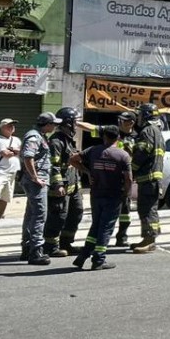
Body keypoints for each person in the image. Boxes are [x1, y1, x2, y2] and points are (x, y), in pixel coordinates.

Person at [73, 125, 133, 271]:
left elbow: (73, 160)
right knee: (106, 227)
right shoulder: (123, 155)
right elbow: (129, 179)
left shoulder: (93, 150)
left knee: (96, 225)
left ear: (104, 136)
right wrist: (126, 194)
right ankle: (99, 259)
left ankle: (84, 255)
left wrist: (88, 172)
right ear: (118, 137)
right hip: (114, 196)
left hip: (96, 194)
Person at [43, 107, 84, 258]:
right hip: (60, 188)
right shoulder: (56, 141)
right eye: (75, 122)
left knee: (76, 213)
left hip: (73, 187)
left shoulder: (69, 140)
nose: (77, 125)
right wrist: (58, 184)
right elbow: (53, 165)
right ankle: (51, 246)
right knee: (58, 217)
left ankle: (66, 243)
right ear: (68, 123)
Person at [19, 112, 59, 265]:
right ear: (47, 124)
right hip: (36, 182)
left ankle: (27, 248)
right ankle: (35, 252)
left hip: (35, 181)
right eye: (53, 124)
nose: (55, 127)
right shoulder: (34, 136)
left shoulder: (39, 135)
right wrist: (35, 177)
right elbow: (28, 156)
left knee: (31, 214)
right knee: (39, 215)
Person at [129, 102, 164, 253]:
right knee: (147, 209)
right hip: (152, 179)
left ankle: (150, 240)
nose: (138, 117)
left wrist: (132, 170)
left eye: (140, 114)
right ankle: (148, 238)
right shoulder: (156, 131)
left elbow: (142, 153)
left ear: (146, 116)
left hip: (148, 178)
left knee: (147, 210)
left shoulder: (147, 131)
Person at [113, 111, 138, 247]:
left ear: (131, 123)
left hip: (127, 178)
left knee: (125, 211)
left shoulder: (137, 137)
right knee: (110, 208)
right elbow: (93, 128)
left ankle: (122, 236)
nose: (120, 122)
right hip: (112, 177)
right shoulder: (113, 133)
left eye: (123, 120)